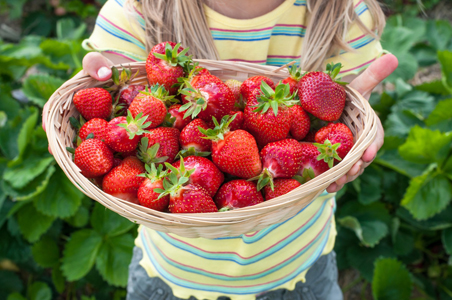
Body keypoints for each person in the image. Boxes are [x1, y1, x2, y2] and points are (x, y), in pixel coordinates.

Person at [44, 0, 398, 299]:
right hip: (173, 273)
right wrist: (100, 86)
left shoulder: (343, 15)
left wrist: (361, 131)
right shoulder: (136, 11)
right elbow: (119, 92)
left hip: (299, 267)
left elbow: (347, 111)